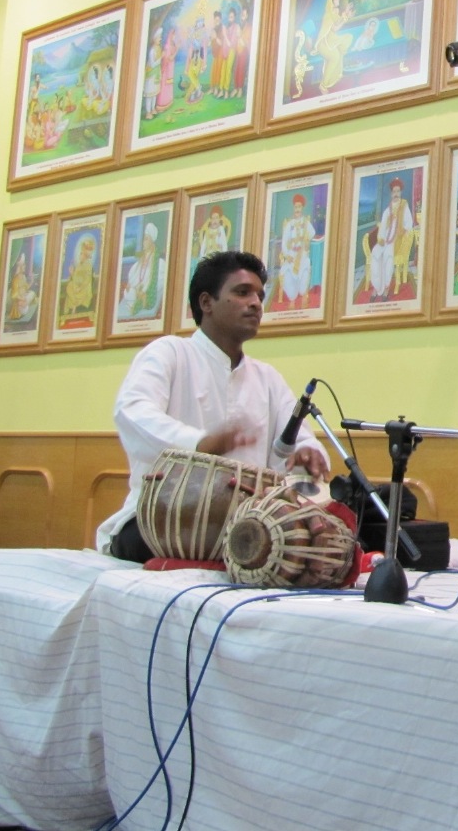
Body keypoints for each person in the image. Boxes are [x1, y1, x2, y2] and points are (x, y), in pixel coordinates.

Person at [98, 250, 330, 562]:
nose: (256, 303)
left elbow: (298, 441)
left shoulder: (268, 379)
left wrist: (308, 455)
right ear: (206, 302)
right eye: (242, 292)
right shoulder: (170, 353)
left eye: (260, 295)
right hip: (161, 522)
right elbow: (132, 411)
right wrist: (199, 444)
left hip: (248, 529)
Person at [367, 177, 415, 300]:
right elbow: (382, 227)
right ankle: (377, 287)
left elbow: (409, 223)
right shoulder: (387, 210)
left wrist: (402, 231)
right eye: (394, 192)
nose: (396, 194)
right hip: (385, 240)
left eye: (398, 191)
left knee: (388, 255)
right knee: (376, 252)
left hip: (397, 240)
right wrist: (381, 239)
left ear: (401, 193)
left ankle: (387, 287)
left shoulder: (404, 206)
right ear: (391, 194)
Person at [277, 193, 315, 308]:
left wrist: (307, 241)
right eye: (296, 207)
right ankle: (292, 299)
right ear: (294, 208)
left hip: (302, 255)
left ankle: (303, 294)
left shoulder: (306, 223)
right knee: (287, 274)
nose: (297, 209)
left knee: (305, 269)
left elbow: (311, 234)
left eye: (299, 207)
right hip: (291, 255)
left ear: (302, 208)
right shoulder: (289, 224)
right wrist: (286, 255)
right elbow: (284, 242)